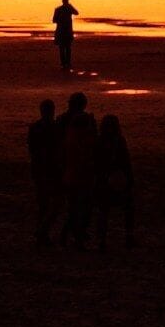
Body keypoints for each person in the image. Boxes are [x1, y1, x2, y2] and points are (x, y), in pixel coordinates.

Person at [58, 92, 97, 248]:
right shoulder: (84, 124)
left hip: (71, 171)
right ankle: (76, 234)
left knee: (76, 206)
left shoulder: (64, 122)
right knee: (81, 206)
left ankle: (72, 233)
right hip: (78, 172)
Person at [93, 113, 136, 250]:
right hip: (117, 179)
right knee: (127, 209)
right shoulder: (119, 141)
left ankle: (102, 241)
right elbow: (126, 162)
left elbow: (96, 163)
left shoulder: (99, 141)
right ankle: (128, 237)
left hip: (104, 180)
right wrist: (130, 179)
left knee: (103, 211)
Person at [26, 100, 64, 246]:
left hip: (40, 169)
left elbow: (32, 149)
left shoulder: (35, 127)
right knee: (54, 203)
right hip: (50, 169)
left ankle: (42, 230)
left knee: (44, 204)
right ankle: (43, 231)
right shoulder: (55, 128)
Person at [52, 0, 79, 71]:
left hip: (61, 31)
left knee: (62, 48)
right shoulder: (68, 8)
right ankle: (67, 63)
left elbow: (54, 20)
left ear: (62, 1)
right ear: (67, 1)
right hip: (67, 31)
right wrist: (70, 6)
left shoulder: (58, 9)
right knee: (67, 48)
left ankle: (64, 63)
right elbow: (76, 12)